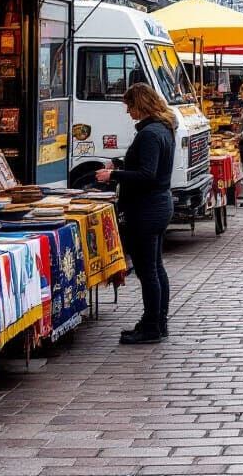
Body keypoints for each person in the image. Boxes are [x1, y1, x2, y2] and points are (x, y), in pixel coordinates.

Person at [95, 83, 175, 345]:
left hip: (147, 208)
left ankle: (152, 325)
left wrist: (113, 175)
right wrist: (120, 164)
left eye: (129, 106)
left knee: (148, 271)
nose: (128, 112)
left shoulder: (150, 133)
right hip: (158, 206)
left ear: (140, 104)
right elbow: (146, 166)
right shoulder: (162, 128)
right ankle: (156, 321)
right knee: (155, 268)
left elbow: (146, 175)